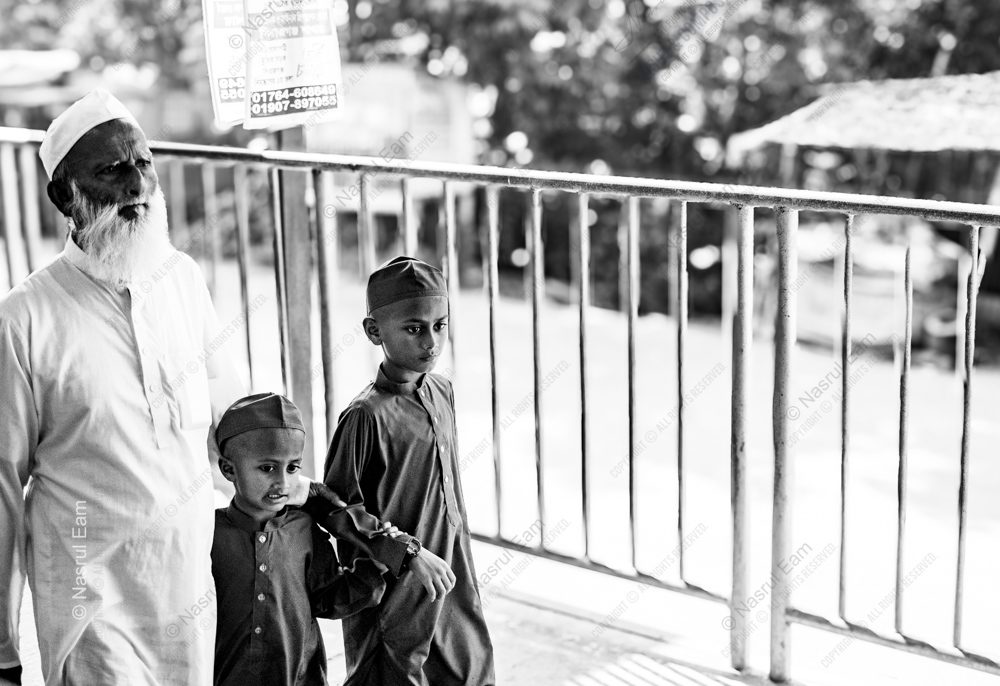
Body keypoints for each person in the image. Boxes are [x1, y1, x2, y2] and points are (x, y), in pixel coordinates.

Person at [0, 90, 244, 685]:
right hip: (91, 599)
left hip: (186, 588)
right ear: (65, 196)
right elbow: (3, 485)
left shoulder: (182, 278)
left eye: (143, 163)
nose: (137, 184)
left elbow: (227, 420)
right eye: (111, 170)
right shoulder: (24, 317)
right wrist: (2, 648)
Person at [322, 256, 495, 686]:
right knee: (396, 674)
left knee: (469, 668)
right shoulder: (365, 416)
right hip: (396, 584)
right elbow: (337, 508)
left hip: (452, 567)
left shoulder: (442, 390)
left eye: (440, 325)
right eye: (415, 328)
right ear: (374, 331)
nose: (432, 342)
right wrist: (408, 552)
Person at [212, 392, 390, 686]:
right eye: (267, 468)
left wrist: (379, 558)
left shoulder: (304, 529)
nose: (282, 482)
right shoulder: (208, 534)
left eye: (293, 467)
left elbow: (329, 597)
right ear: (228, 469)